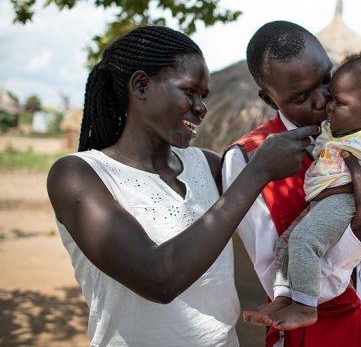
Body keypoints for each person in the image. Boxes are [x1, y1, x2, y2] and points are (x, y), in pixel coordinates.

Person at [47, 25, 319, 347]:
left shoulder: (208, 165)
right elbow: (158, 279)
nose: (201, 107)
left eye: (203, 96)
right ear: (141, 86)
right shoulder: (79, 175)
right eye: (189, 91)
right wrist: (256, 172)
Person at [222, 21, 361, 347]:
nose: (323, 100)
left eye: (326, 80)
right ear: (269, 99)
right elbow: (280, 284)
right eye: (301, 96)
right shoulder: (249, 160)